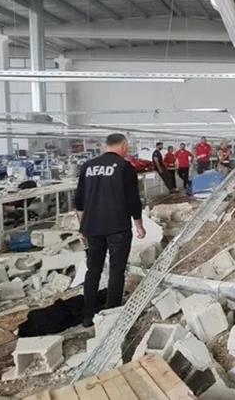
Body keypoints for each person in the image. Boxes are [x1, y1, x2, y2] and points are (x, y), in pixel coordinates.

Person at [75, 133, 146, 326]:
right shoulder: (125, 167)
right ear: (123, 146)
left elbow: (79, 201)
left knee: (93, 270)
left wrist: (83, 227)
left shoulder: (87, 166)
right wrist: (139, 225)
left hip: (92, 227)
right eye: (127, 146)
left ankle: (88, 316)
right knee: (116, 270)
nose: (128, 149)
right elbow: (133, 200)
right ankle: (111, 315)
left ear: (106, 146)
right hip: (117, 227)